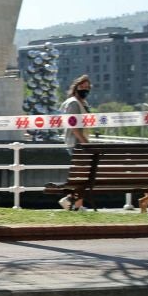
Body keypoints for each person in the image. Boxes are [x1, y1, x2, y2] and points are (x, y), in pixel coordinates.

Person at [58, 75, 93, 211]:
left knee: (82, 174)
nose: (85, 90)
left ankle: (77, 204)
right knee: (82, 174)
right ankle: (69, 200)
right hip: (77, 144)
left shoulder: (82, 103)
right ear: (76, 87)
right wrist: (85, 143)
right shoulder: (73, 103)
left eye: (87, 87)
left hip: (80, 143)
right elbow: (74, 127)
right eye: (82, 87)